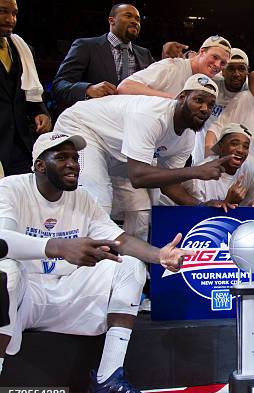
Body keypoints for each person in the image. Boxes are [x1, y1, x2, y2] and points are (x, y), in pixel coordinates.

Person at [0, 132, 192, 393]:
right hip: (23, 295)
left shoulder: (83, 198)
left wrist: (159, 255)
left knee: (129, 265)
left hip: (66, 291)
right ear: (40, 165)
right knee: (6, 272)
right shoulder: (11, 188)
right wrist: (57, 246)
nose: (73, 164)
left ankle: (107, 382)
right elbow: (2, 240)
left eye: (76, 158)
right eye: (62, 157)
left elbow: (120, 240)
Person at [53, 74, 226, 239]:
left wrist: (200, 206)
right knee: (99, 198)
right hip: (83, 127)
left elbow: (169, 185)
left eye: (210, 105)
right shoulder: (152, 116)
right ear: (181, 97)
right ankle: (85, 263)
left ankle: (133, 265)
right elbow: (138, 176)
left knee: (141, 208)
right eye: (198, 100)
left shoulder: (187, 138)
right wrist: (195, 171)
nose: (205, 109)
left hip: (118, 148)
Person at [51, 3, 156, 110]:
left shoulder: (145, 54)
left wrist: (170, 59)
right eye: (128, 16)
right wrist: (88, 89)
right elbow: (59, 85)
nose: (135, 21)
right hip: (95, 119)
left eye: (138, 19)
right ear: (111, 20)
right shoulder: (86, 46)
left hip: (134, 120)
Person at [0, 0, 52, 176]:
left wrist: (41, 111)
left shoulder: (23, 49)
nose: (10, 19)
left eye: (14, 13)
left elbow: (30, 90)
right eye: (3, 12)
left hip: (21, 144)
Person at [161, 123, 254, 210]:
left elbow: (251, 208)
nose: (240, 150)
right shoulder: (200, 173)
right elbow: (198, 216)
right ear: (221, 146)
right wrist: (228, 202)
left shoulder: (250, 171)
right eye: (234, 144)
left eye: (245, 147)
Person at [116, 35, 232, 98]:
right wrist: (174, 100)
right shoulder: (171, 67)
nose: (217, 65)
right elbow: (125, 86)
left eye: (223, 63)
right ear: (202, 52)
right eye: (214, 57)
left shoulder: (214, 78)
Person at [191, 48, 250, 165]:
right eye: (231, 68)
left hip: (237, 154)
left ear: (248, 71)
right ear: (222, 71)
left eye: (241, 68)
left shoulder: (252, 92)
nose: (237, 74)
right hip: (202, 149)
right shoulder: (210, 84)